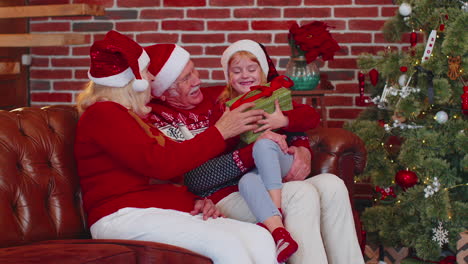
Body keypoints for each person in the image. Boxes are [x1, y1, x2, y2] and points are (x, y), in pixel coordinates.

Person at [145, 41, 365, 264]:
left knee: (332, 184)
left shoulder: (219, 95)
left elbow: (289, 116)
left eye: (194, 70)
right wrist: (257, 148)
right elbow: (193, 178)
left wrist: (303, 149)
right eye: (185, 78)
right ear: (163, 92)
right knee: (301, 193)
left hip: (263, 177)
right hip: (227, 192)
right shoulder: (159, 122)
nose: (198, 81)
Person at [74, 30, 278, 264]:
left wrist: (193, 200)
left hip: (152, 210)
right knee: (226, 244)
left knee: (259, 237)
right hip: (121, 216)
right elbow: (161, 163)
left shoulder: (131, 116)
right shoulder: (103, 113)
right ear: (132, 82)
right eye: (146, 72)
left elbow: (170, 172)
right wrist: (221, 131)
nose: (151, 78)